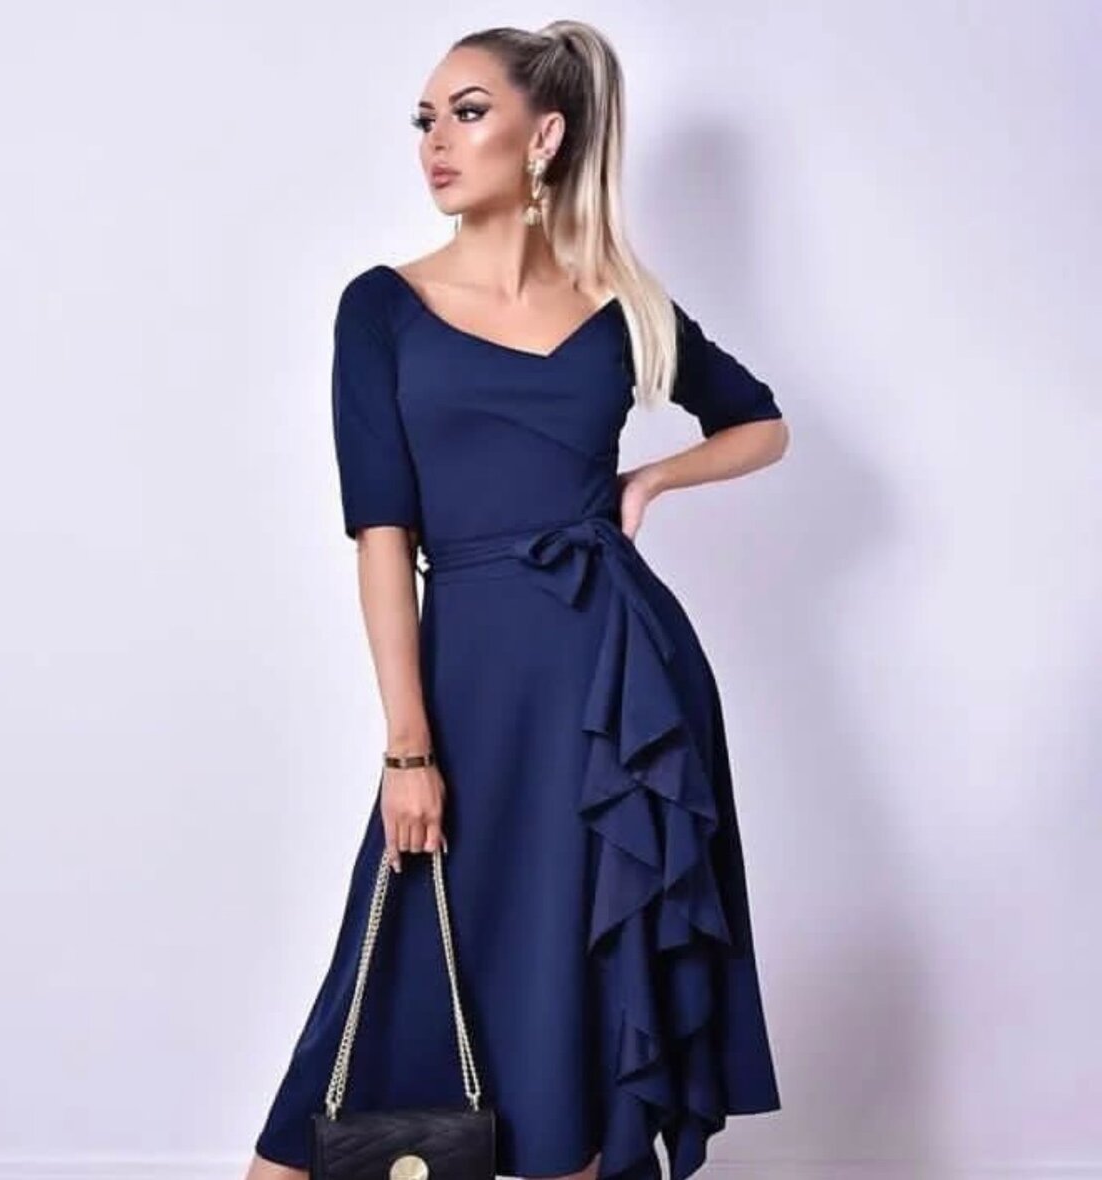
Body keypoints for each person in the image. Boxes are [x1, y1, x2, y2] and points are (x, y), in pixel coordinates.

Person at [246, 18, 789, 1180]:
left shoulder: (622, 307)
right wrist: (407, 747)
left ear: (543, 137)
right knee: (392, 966)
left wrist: (654, 478)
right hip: (470, 685)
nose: (435, 142)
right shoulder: (380, 307)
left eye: (467, 112)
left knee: (578, 999)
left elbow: (760, 423)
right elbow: (382, 537)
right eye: (425, 120)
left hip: (616, 690)